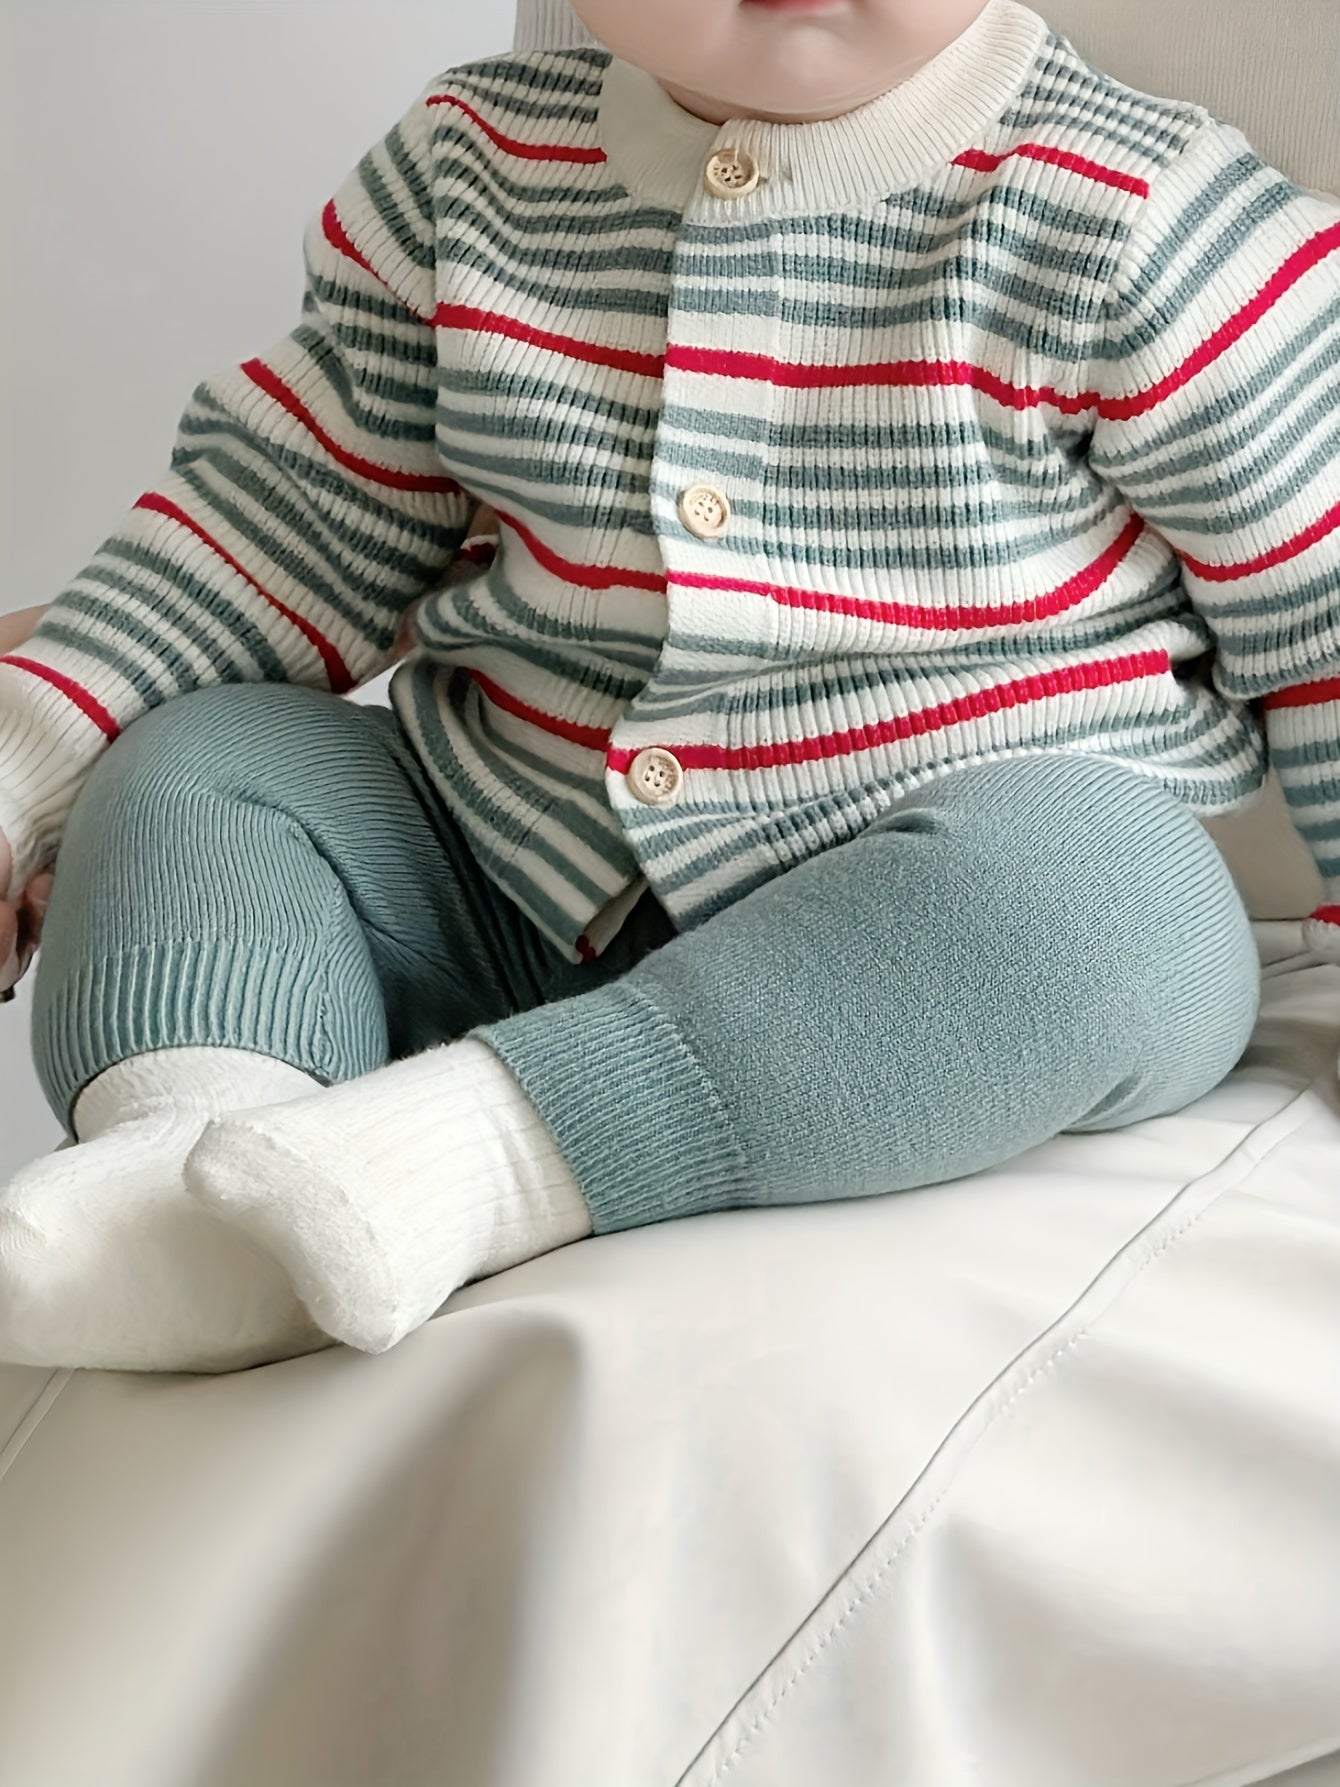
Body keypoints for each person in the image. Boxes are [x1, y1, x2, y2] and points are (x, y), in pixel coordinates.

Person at [1, 0, 1337, 1375]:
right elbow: (276, 524)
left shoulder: (1143, 214)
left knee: (1127, 908)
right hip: (505, 877)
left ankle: (464, 1161)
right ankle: (193, 1174)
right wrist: (21, 773)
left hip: (923, 933)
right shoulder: (465, 170)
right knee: (212, 756)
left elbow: (1327, 620)